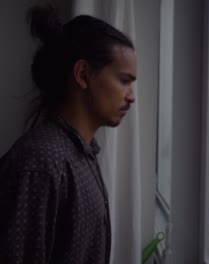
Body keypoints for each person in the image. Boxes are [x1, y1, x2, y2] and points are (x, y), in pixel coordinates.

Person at [0, 3, 136, 263]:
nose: (131, 97)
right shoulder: (41, 163)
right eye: (124, 80)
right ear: (83, 74)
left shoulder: (81, 154)